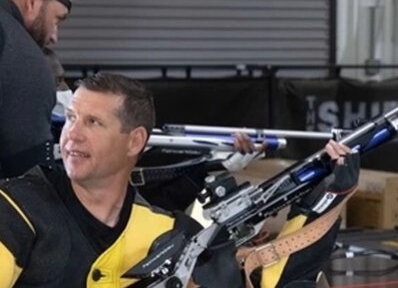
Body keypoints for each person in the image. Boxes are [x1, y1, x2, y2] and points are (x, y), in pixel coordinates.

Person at [0, 72, 359, 288]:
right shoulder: (16, 210)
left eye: (93, 123)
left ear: (135, 141)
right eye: (72, 117)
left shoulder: (166, 232)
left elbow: (271, 276)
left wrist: (326, 200)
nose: (71, 135)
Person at [0, 0, 72, 178]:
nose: (54, 37)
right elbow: (29, 177)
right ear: (33, 1)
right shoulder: (19, 56)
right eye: (57, 19)